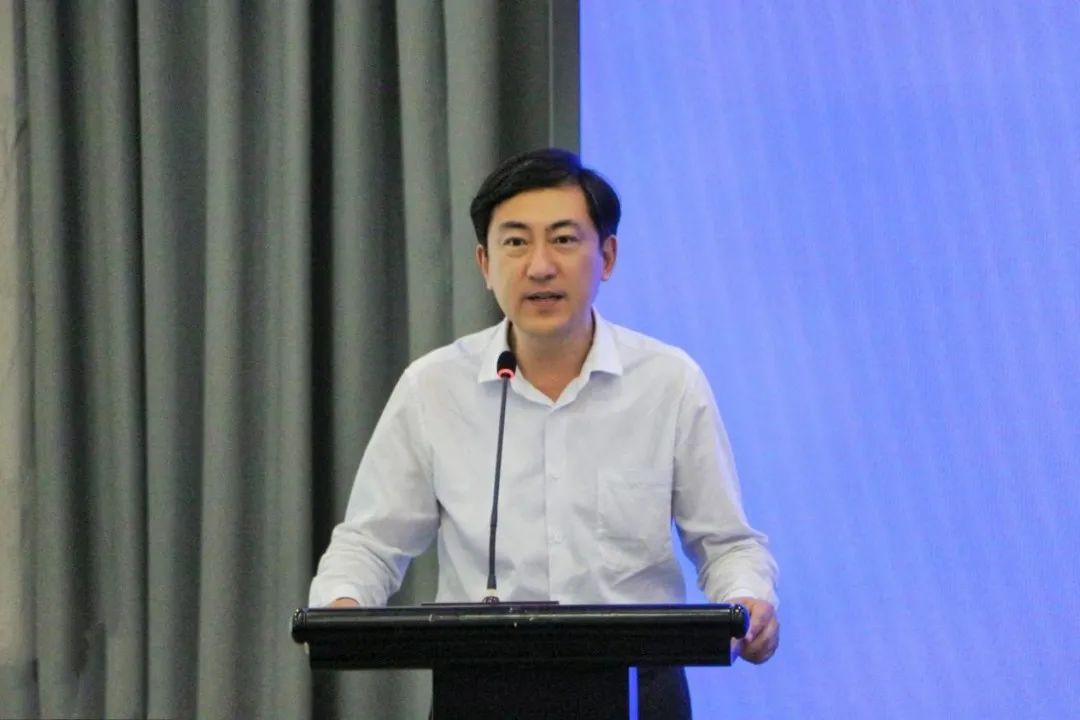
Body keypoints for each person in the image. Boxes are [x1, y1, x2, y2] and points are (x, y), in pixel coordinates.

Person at [310, 148, 779, 717]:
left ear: (607, 256)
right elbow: (370, 543)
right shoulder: (433, 387)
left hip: (638, 689)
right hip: (480, 690)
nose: (539, 266)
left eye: (563, 239)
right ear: (485, 264)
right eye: (515, 242)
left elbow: (726, 543)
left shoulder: (668, 382)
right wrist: (341, 605)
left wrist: (748, 599)